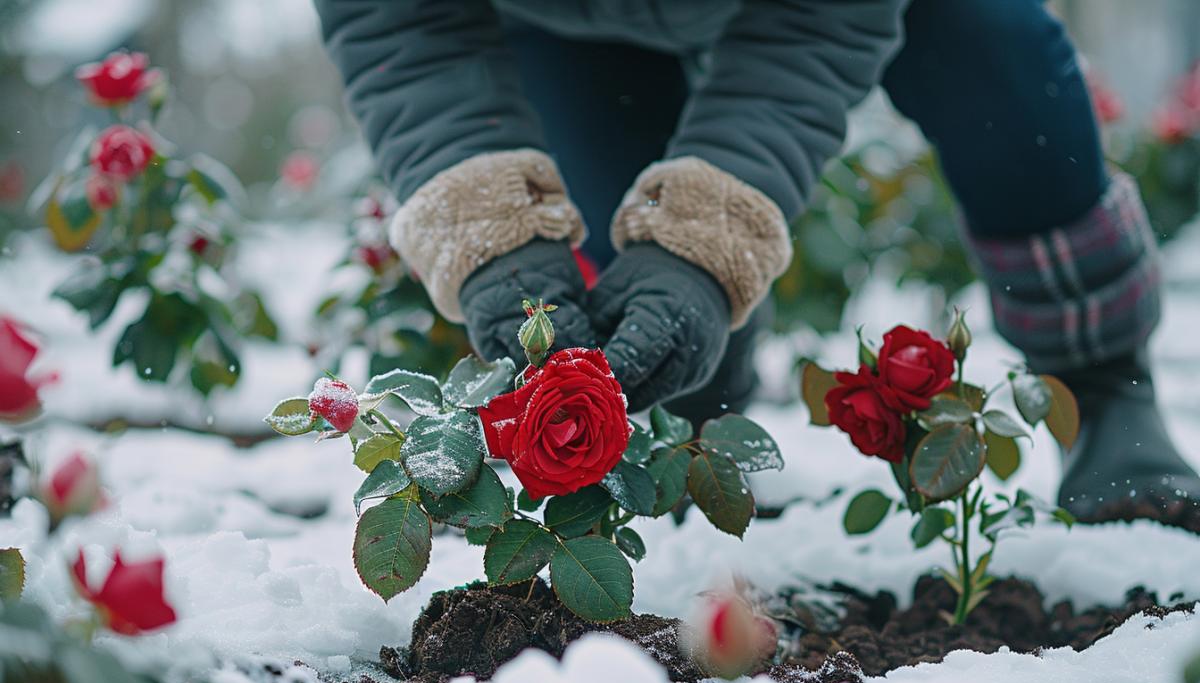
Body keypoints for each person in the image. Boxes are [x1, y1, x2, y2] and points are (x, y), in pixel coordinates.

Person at [313, 0, 1200, 534]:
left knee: (999, 65)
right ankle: (700, 419)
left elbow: (811, 30)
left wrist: (709, 245)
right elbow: (404, 26)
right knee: (642, 292)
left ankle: (1104, 383)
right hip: (563, 19)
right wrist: (496, 239)